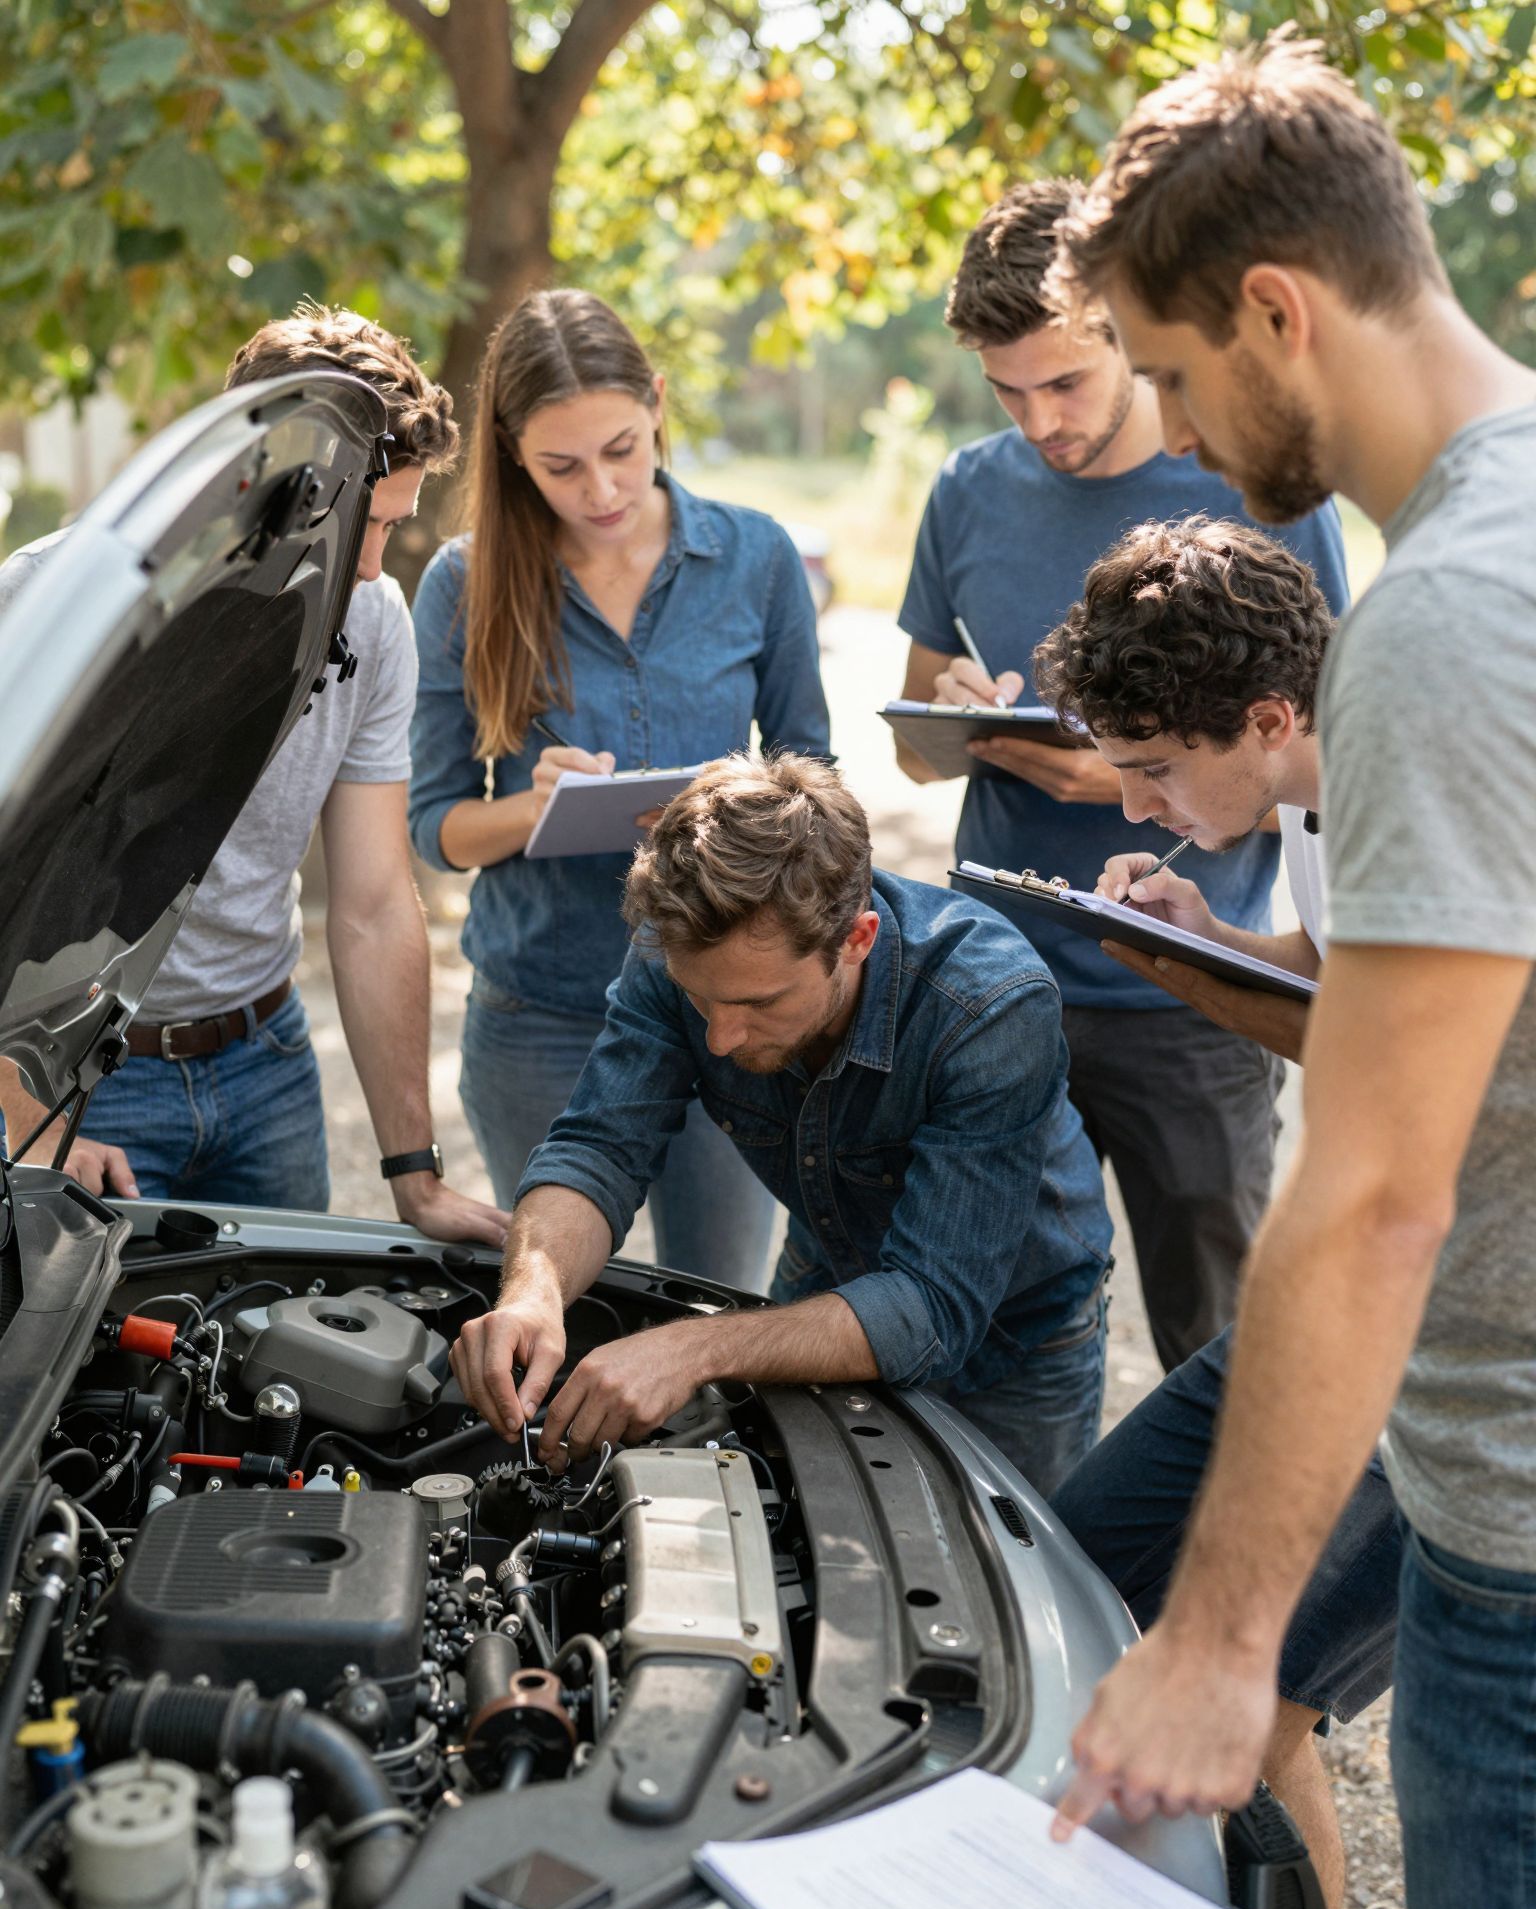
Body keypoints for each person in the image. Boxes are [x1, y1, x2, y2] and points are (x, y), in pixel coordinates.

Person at [1044, 38, 1536, 1909]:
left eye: (1164, 372)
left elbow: (1375, 1193)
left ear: (1277, 310)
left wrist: (1223, 1642)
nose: (1165, 421)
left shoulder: (1441, 620)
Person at [894, 179, 1350, 1375]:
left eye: (1066, 382)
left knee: (1220, 1332)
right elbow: (908, 732)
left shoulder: (1255, 483)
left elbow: (1317, 735)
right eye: (1008, 390)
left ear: (1126, 340)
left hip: (1196, 992)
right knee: (1001, 1315)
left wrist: (1121, 780)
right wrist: (953, 719)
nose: (1040, 420)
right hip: (998, 974)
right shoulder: (966, 491)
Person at [1032, 515, 1401, 1909]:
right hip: (1320, 1326)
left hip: (1441, 1355)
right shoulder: (1308, 785)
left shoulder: (1410, 794)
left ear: (1266, 717)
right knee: (1077, 1562)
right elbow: (1319, 973)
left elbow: (1374, 1051)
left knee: (1254, 1720)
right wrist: (1200, 933)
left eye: (1154, 772)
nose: (1132, 805)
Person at [446, 753, 1113, 1498]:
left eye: (760, 1005)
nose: (722, 1039)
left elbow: (932, 1306)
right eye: (705, 1001)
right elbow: (599, 1146)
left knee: (1005, 1588)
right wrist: (534, 1290)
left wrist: (692, 1350)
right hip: (828, 1262)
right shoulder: (682, 952)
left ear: (856, 939)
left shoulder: (990, 1006)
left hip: (1016, 1333)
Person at [0, 306, 506, 1248]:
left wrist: (415, 1172)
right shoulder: (50, 599)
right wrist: (23, 1114)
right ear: (270, 484)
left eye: (392, 529)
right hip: (79, 1082)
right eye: (361, 524)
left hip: (267, 1063)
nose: (369, 567)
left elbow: (372, 902)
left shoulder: (376, 617)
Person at [409, 290, 830, 1295]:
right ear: (511, 450)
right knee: (566, 1307)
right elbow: (435, 829)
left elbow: (816, 768)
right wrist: (535, 807)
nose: (601, 488)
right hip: (541, 1017)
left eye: (624, 449)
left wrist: (745, 807)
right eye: (561, 465)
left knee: (718, 1305)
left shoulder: (756, 557)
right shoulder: (464, 584)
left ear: (658, 404)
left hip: (727, 1008)